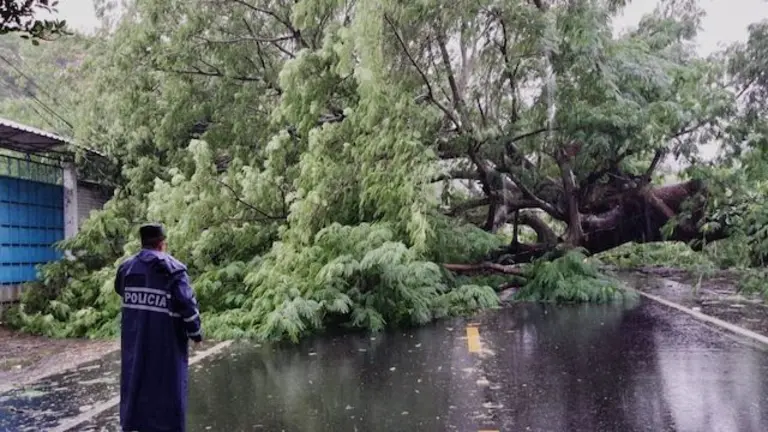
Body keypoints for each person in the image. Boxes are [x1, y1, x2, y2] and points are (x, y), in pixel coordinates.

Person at [114, 223, 203, 432]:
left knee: (136, 383)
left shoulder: (126, 268)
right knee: (167, 389)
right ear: (162, 244)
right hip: (166, 343)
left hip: (135, 340)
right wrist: (196, 333)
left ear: (143, 243)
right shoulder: (174, 270)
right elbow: (187, 306)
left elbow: (120, 289)